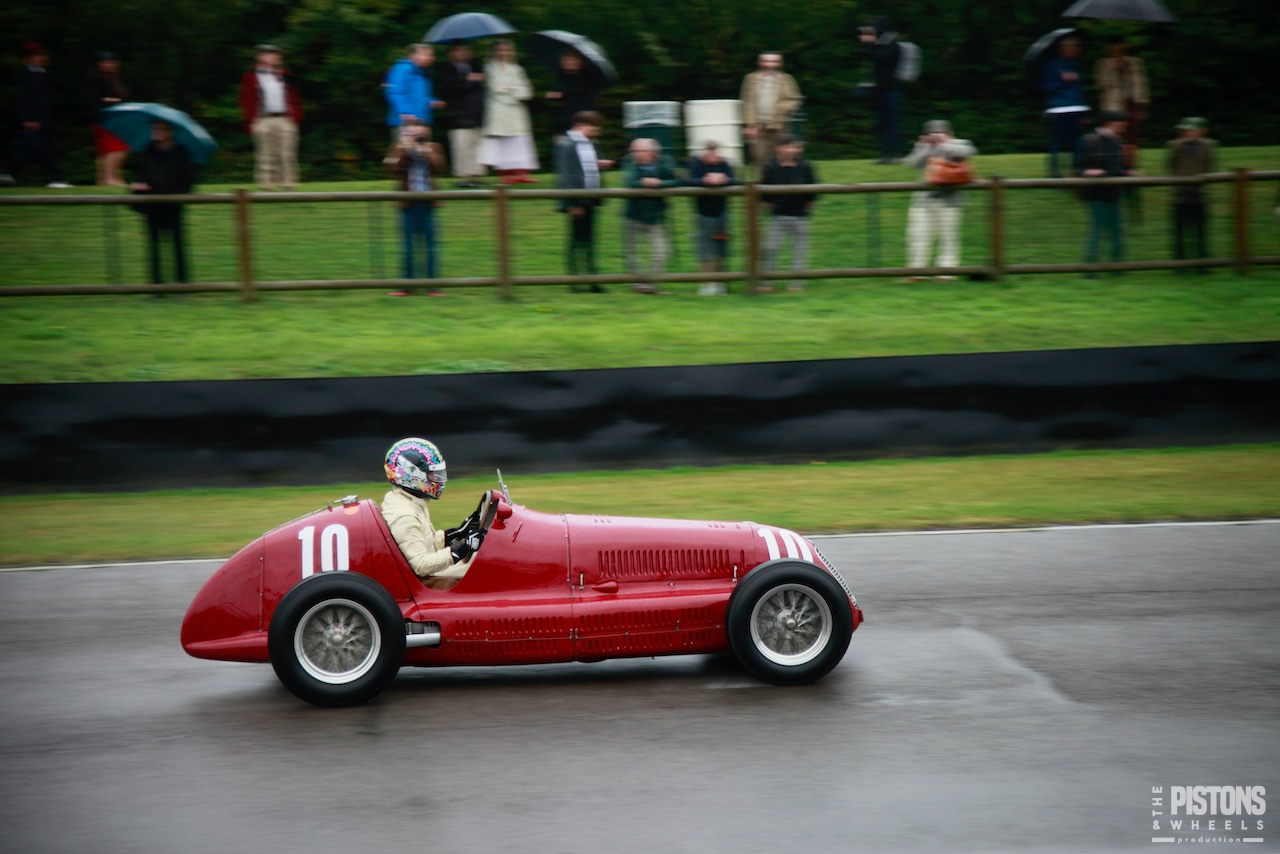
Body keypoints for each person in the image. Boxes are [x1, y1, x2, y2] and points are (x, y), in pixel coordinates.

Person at [380, 438, 479, 590]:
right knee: (481, 572)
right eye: (432, 474)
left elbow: (425, 543)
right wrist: (462, 548)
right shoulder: (405, 517)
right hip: (422, 585)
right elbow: (421, 565)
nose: (438, 480)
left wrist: (458, 533)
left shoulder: (409, 501)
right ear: (412, 475)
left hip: (423, 579)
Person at [903, 119, 977, 282]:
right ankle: (916, 272)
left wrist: (945, 145)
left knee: (948, 237)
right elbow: (911, 163)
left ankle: (946, 273)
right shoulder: (924, 147)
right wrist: (925, 148)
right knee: (918, 235)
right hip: (923, 201)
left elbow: (969, 152)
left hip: (950, 201)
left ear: (949, 134)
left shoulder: (960, 144)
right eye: (932, 133)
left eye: (939, 132)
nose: (935, 136)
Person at [384, 119, 446, 296]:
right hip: (407, 205)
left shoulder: (434, 148)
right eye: (412, 134)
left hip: (428, 205)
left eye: (420, 134)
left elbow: (441, 167)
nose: (417, 137)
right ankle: (406, 286)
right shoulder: (397, 148)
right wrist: (403, 148)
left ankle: (433, 287)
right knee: (407, 248)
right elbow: (389, 167)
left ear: (427, 133)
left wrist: (424, 150)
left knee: (431, 247)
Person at [554, 110, 614, 291]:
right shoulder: (566, 144)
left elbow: (587, 167)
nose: (597, 133)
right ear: (581, 126)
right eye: (594, 128)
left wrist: (600, 164)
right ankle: (575, 280)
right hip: (577, 200)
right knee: (577, 241)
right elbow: (566, 175)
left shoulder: (591, 143)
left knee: (589, 240)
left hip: (591, 199)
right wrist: (572, 203)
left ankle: (591, 278)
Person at [130, 121, 195, 285]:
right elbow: (140, 174)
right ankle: (156, 285)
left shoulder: (180, 151)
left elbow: (189, 179)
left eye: (160, 129)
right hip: (152, 205)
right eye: (155, 129)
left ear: (169, 131)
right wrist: (138, 185)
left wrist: (179, 194)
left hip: (174, 204)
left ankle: (182, 283)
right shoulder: (149, 150)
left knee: (178, 245)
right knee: (153, 245)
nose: (156, 132)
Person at [1, 42, 71, 188]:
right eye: (39, 55)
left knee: (31, 149)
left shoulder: (40, 73)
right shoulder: (27, 74)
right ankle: (54, 178)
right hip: (34, 119)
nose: (43, 58)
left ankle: (6, 171)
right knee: (39, 148)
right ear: (28, 58)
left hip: (42, 118)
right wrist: (29, 118)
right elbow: (25, 98)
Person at [1075, 110, 1135, 277]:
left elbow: (1119, 169)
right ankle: (1090, 269)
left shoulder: (1120, 143)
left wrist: (1127, 173)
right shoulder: (1088, 141)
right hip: (1096, 193)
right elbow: (1077, 168)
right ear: (1111, 124)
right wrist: (1088, 172)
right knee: (1098, 229)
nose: (1123, 128)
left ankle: (1116, 267)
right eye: (1121, 124)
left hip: (1114, 193)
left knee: (1116, 230)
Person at [238, 44, 303, 190]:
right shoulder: (250, 77)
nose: (275, 57)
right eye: (271, 54)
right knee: (265, 153)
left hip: (285, 118)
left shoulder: (285, 75)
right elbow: (246, 100)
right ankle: (266, 183)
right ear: (260, 57)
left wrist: (295, 118)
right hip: (262, 119)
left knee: (288, 152)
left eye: (277, 54)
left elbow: (295, 97)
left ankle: (289, 182)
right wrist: (250, 122)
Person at [760, 135, 817, 292]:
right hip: (778, 216)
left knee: (800, 250)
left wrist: (807, 208)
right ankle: (767, 283)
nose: (792, 150)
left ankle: (796, 284)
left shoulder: (806, 166)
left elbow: (813, 190)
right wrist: (772, 208)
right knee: (770, 248)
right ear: (779, 148)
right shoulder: (770, 167)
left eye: (793, 146)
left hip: (800, 215)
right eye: (788, 146)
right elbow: (764, 192)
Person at [622, 137, 678, 294]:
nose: (637, 154)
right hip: (634, 215)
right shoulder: (631, 163)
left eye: (642, 150)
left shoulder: (664, 164)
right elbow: (631, 182)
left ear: (654, 152)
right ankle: (636, 284)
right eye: (636, 151)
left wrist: (658, 183)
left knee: (663, 251)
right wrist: (645, 183)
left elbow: (676, 181)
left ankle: (649, 284)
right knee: (632, 252)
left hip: (655, 216)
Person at [478, 40, 538, 183]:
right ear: (495, 52)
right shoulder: (489, 69)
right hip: (498, 110)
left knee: (519, 141)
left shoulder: (518, 69)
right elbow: (495, 89)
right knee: (502, 143)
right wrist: (514, 90)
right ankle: (504, 175)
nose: (504, 53)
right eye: (500, 50)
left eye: (507, 50)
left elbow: (527, 91)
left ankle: (521, 174)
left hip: (516, 111)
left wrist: (511, 89)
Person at [686, 140, 737, 295]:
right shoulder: (697, 164)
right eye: (709, 150)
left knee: (721, 247)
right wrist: (705, 180)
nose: (712, 153)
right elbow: (688, 181)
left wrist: (724, 180)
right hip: (704, 214)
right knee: (705, 249)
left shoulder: (724, 164)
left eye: (714, 150)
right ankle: (706, 283)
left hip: (722, 214)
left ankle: (721, 282)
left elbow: (736, 180)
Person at [739, 52, 802, 177]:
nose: (770, 64)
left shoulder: (787, 79)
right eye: (766, 61)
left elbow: (795, 100)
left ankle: (781, 184)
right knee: (758, 157)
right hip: (757, 126)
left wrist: (780, 109)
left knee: (782, 156)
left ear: (780, 63)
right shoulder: (751, 79)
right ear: (760, 62)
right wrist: (749, 125)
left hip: (780, 125)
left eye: (774, 61)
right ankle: (759, 185)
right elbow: (747, 102)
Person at [1166, 117, 1216, 272]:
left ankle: (1202, 265)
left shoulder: (1209, 146)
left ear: (1201, 131)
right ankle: (1180, 265)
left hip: (1199, 194)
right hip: (1180, 194)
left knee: (1200, 232)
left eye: (1193, 130)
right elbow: (1171, 165)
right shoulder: (1174, 145)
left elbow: (1210, 166)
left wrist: (1202, 182)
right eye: (1186, 130)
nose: (1189, 133)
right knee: (1179, 232)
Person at [435, 41, 486, 188]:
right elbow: (451, 87)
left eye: (466, 50)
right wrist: (470, 79)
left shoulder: (475, 65)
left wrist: (472, 79)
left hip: (476, 112)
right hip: (458, 114)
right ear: (452, 53)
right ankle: (464, 176)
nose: (464, 53)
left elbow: (482, 83)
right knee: (461, 145)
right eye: (460, 50)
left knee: (477, 144)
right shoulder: (446, 68)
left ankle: (477, 174)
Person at [1040, 36, 1089, 178]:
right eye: (1070, 47)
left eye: (1075, 47)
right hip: (1059, 107)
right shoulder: (1053, 65)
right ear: (1063, 49)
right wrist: (1062, 81)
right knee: (1057, 141)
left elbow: (1079, 89)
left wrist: (1084, 111)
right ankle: (1054, 172)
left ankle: (1077, 169)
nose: (1074, 50)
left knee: (1078, 140)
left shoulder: (1075, 65)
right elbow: (1046, 86)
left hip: (1076, 107)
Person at [859, 17, 903, 164]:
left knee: (891, 123)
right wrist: (869, 45)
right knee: (881, 123)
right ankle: (884, 154)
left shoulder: (892, 43)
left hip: (891, 89)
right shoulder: (880, 44)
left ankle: (893, 154)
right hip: (880, 90)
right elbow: (868, 57)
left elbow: (880, 57)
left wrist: (869, 44)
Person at [1094, 35, 1149, 149]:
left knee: (1133, 133)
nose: (1117, 48)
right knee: (1113, 132)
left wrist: (1142, 105)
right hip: (1113, 104)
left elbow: (1141, 83)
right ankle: (1112, 155)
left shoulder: (1135, 62)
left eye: (1120, 45)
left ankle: (1130, 157)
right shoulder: (1103, 64)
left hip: (1132, 102)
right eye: (1114, 45)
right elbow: (1101, 84)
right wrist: (1112, 69)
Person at [87, 51, 130, 187]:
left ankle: (104, 178)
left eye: (112, 63)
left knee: (108, 150)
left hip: (116, 119)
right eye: (105, 63)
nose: (109, 65)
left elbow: (123, 99)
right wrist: (113, 101)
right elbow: (95, 101)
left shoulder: (118, 80)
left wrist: (112, 100)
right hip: (103, 119)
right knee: (116, 149)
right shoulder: (96, 80)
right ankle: (109, 178)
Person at [385, 44, 442, 142]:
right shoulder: (401, 69)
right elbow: (395, 93)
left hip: (422, 123)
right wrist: (406, 112)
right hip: (405, 123)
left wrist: (431, 102)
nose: (431, 58)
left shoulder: (423, 73)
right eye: (426, 55)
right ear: (414, 56)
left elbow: (420, 97)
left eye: (432, 55)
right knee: (404, 151)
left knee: (424, 151)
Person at [545, 50, 602, 137]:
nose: (569, 62)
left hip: (581, 119)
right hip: (562, 120)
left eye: (572, 60)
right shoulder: (560, 77)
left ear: (579, 62)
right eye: (566, 60)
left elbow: (584, 96)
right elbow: (561, 96)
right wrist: (554, 96)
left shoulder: (588, 77)